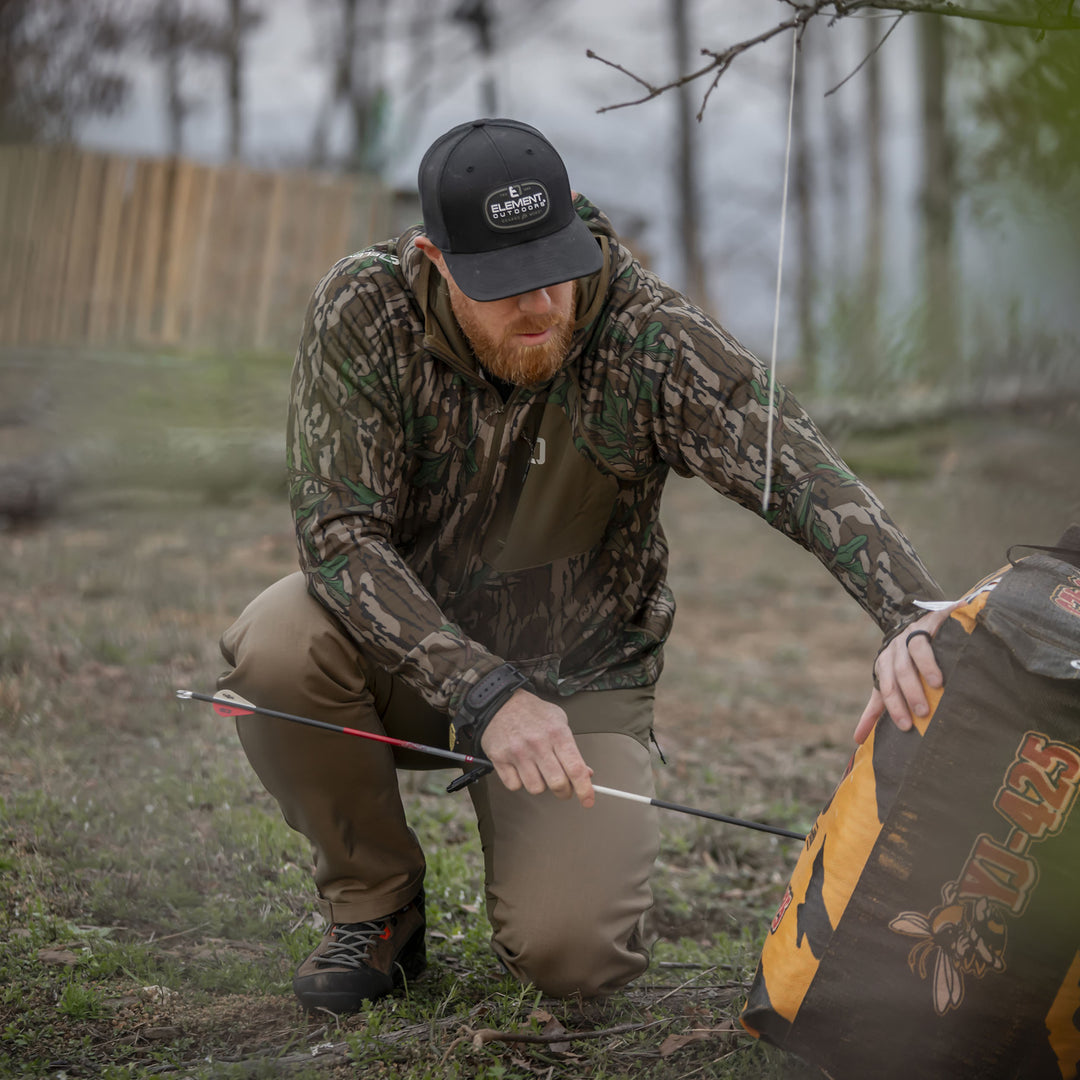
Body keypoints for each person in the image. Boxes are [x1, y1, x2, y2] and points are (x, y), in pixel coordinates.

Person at [217, 117, 949, 1014]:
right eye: (502, 284)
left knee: (575, 959)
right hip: (406, 657)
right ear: (435, 260)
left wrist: (915, 614)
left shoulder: (647, 331)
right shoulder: (366, 308)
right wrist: (483, 691)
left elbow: (794, 469)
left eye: (552, 268)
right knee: (278, 643)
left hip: (580, 677)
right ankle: (377, 906)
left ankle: (553, 885)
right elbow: (337, 534)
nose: (538, 305)